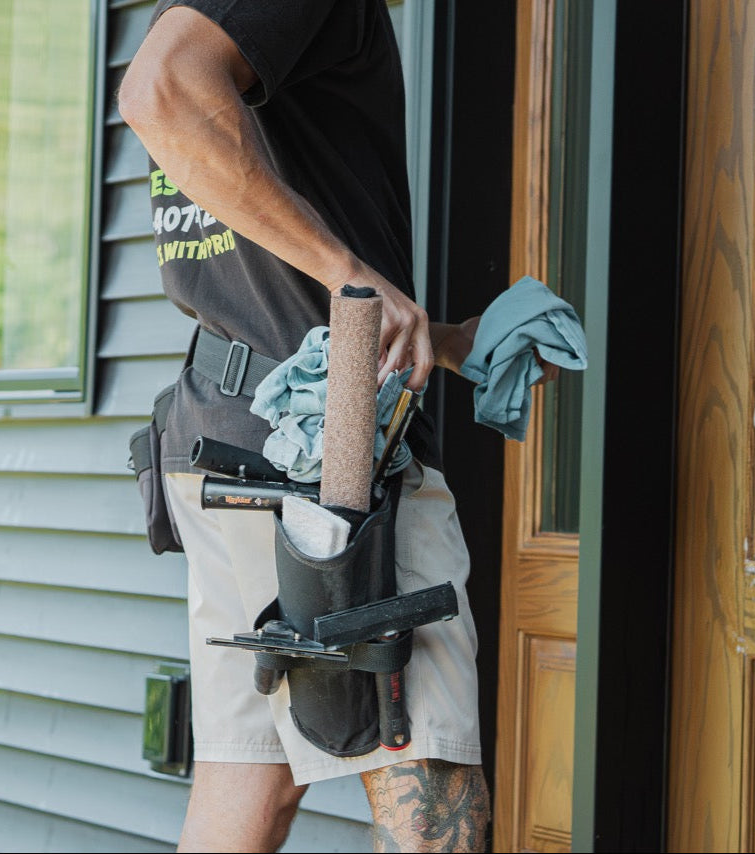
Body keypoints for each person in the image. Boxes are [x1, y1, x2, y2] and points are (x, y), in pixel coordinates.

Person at [118, 2, 538, 851]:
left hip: (229, 431)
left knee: (249, 783)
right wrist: (351, 275)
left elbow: (273, 273)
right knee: (431, 804)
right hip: (325, 455)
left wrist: (444, 340)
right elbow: (158, 90)